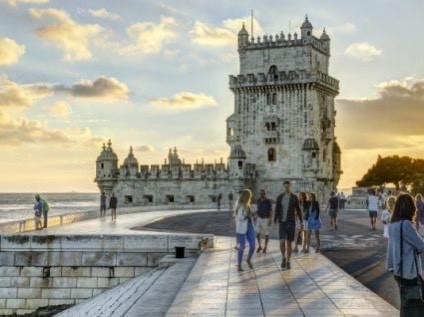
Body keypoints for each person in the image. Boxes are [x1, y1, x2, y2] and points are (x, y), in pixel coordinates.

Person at [386, 194, 424, 316]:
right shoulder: (406, 225)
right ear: (410, 208)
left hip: (398, 271)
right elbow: (421, 245)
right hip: (409, 272)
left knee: (405, 303)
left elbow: (391, 248)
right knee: (413, 307)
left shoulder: (393, 225)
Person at [274, 181, 303, 270]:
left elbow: (298, 210)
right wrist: (275, 220)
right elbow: (277, 210)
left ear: (290, 186)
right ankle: (283, 257)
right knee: (282, 242)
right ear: (283, 186)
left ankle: (288, 261)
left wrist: (301, 222)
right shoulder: (280, 197)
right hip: (282, 223)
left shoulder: (294, 197)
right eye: (285, 186)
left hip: (291, 222)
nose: (287, 188)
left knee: (289, 243)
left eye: (288, 186)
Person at [233, 189, 256, 271]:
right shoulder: (239, 204)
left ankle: (248, 259)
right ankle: (239, 264)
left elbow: (248, 215)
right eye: (248, 196)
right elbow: (239, 217)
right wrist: (247, 216)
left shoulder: (247, 204)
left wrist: (251, 215)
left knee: (253, 246)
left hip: (250, 226)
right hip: (241, 228)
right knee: (242, 247)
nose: (249, 197)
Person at [255, 189, 272, 254]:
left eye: (262, 193)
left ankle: (265, 247)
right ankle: (259, 246)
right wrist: (255, 214)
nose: (261, 195)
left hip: (266, 218)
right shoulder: (258, 200)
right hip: (259, 218)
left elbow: (270, 210)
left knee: (266, 234)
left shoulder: (268, 201)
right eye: (260, 193)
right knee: (257, 233)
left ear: (265, 194)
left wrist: (270, 219)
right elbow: (258, 209)